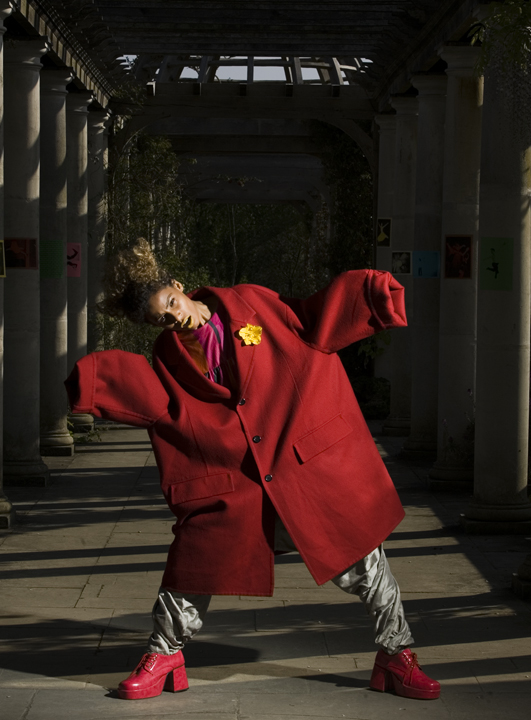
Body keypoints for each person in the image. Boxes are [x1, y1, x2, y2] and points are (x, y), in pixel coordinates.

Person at [65, 238, 440, 702]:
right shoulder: (168, 355)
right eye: (160, 320)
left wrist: (365, 295)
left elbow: (308, 319)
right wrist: (99, 383)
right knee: (193, 561)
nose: (173, 319)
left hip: (302, 465)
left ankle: (396, 656)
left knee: (365, 559)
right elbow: (163, 404)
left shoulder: (251, 302)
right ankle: (164, 656)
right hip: (239, 482)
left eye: (172, 304)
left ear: (179, 286)